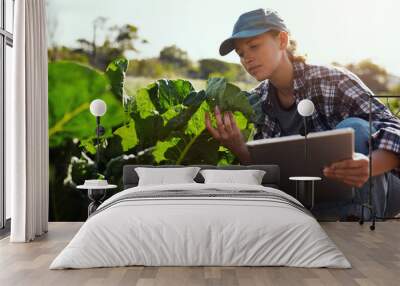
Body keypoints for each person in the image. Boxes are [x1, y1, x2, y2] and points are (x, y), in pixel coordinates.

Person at [204, 8, 400, 220]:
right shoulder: (256, 101)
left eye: (254, 46)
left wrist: (370, 166)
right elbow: (272, 174)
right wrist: (239, 148)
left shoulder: (332, 80)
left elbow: (394, 127)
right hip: (316, 200)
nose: (247, 59)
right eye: (241, 54)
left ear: (282, 40)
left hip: (382, 189)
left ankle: (362, 229)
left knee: (356, 128)